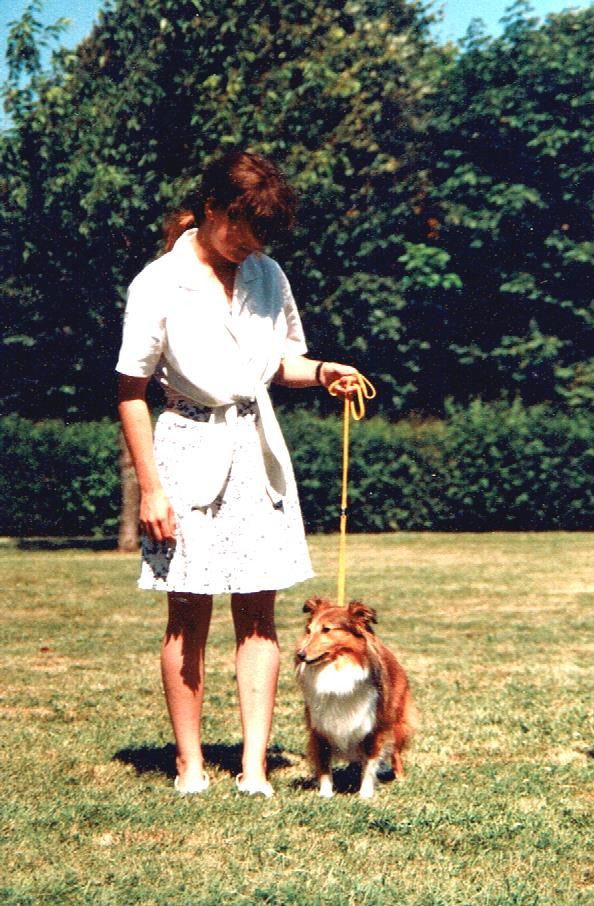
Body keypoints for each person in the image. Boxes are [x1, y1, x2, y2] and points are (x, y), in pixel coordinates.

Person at [116, 150, 359, 797]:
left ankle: (253, 767)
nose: (252, 245)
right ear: (213, 209)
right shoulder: (158, 283)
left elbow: (282, 363)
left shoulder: (268, 275)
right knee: (187, 613)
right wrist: (151, 488)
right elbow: (130, 392)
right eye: (243, 229)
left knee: (258, 613)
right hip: (185, 452)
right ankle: (190, 763)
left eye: (262, 235)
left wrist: (324, 372)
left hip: (256, 452)